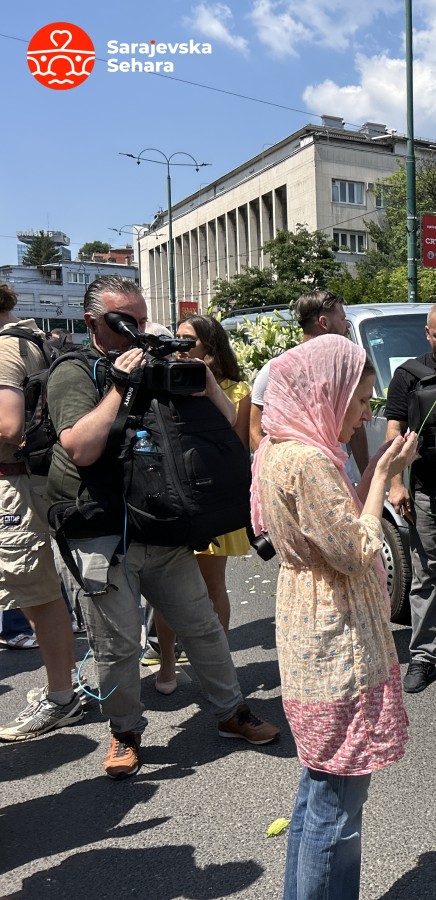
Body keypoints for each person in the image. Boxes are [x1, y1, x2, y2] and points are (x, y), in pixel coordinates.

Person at [46, 275, 280, 779]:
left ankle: (232, 713)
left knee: (202, 627)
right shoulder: (75, 370)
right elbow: (80, 447)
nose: (136, 328)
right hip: (101, 531)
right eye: (122, 320)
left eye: (141, 316)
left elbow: (230, 432)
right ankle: (125, 733)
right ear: (93, 323)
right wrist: (120, 385)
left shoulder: (157, 364)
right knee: (119, 643)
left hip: (161, 525)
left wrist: (204, 379)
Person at [252, 334, 418, 899]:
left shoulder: (280, 445)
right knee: (338, 804)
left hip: (308, 622)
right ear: (328, 392)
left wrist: (377, 472)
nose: (366, 413)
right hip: (336, 635)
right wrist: (381, 481)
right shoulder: (309, 461)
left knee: (319, 786)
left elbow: (331, 535)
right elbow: (356, 549)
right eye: (361, 399)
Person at [148, 314, 252, 696]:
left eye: (187, 341)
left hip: (216, 495)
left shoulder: (237, 388)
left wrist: (209, 387)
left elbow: (239, 441)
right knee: (167, 587)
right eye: (176, 339)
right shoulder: (166, 380)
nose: (179, 347)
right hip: (175, 493)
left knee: (213, 585)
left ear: (210, 344)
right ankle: (167, 667)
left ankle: (217, 667)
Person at [0, 281, 84, 741]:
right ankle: (62, 685)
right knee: (41, 588)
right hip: (38, 476)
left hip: (14, 480)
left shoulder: (3, 351)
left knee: (36, 591)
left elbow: (9, 426)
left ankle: (60, 697)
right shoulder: (34, 339)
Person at [385, 301, 436, 693]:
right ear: (427, 334)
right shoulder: (408, 375)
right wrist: (395, 483)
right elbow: (395, 432)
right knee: (427, 573)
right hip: (427, 488)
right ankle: (422, 656)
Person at [249, 290, 367, 475]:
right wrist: (282, 476)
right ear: (324, 323)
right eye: (343, 319)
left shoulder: (344, 370)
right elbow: (256, 433)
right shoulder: (276, 370)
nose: (347, 327)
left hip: (341, 480)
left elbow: (357, 428)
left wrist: (368, 478)